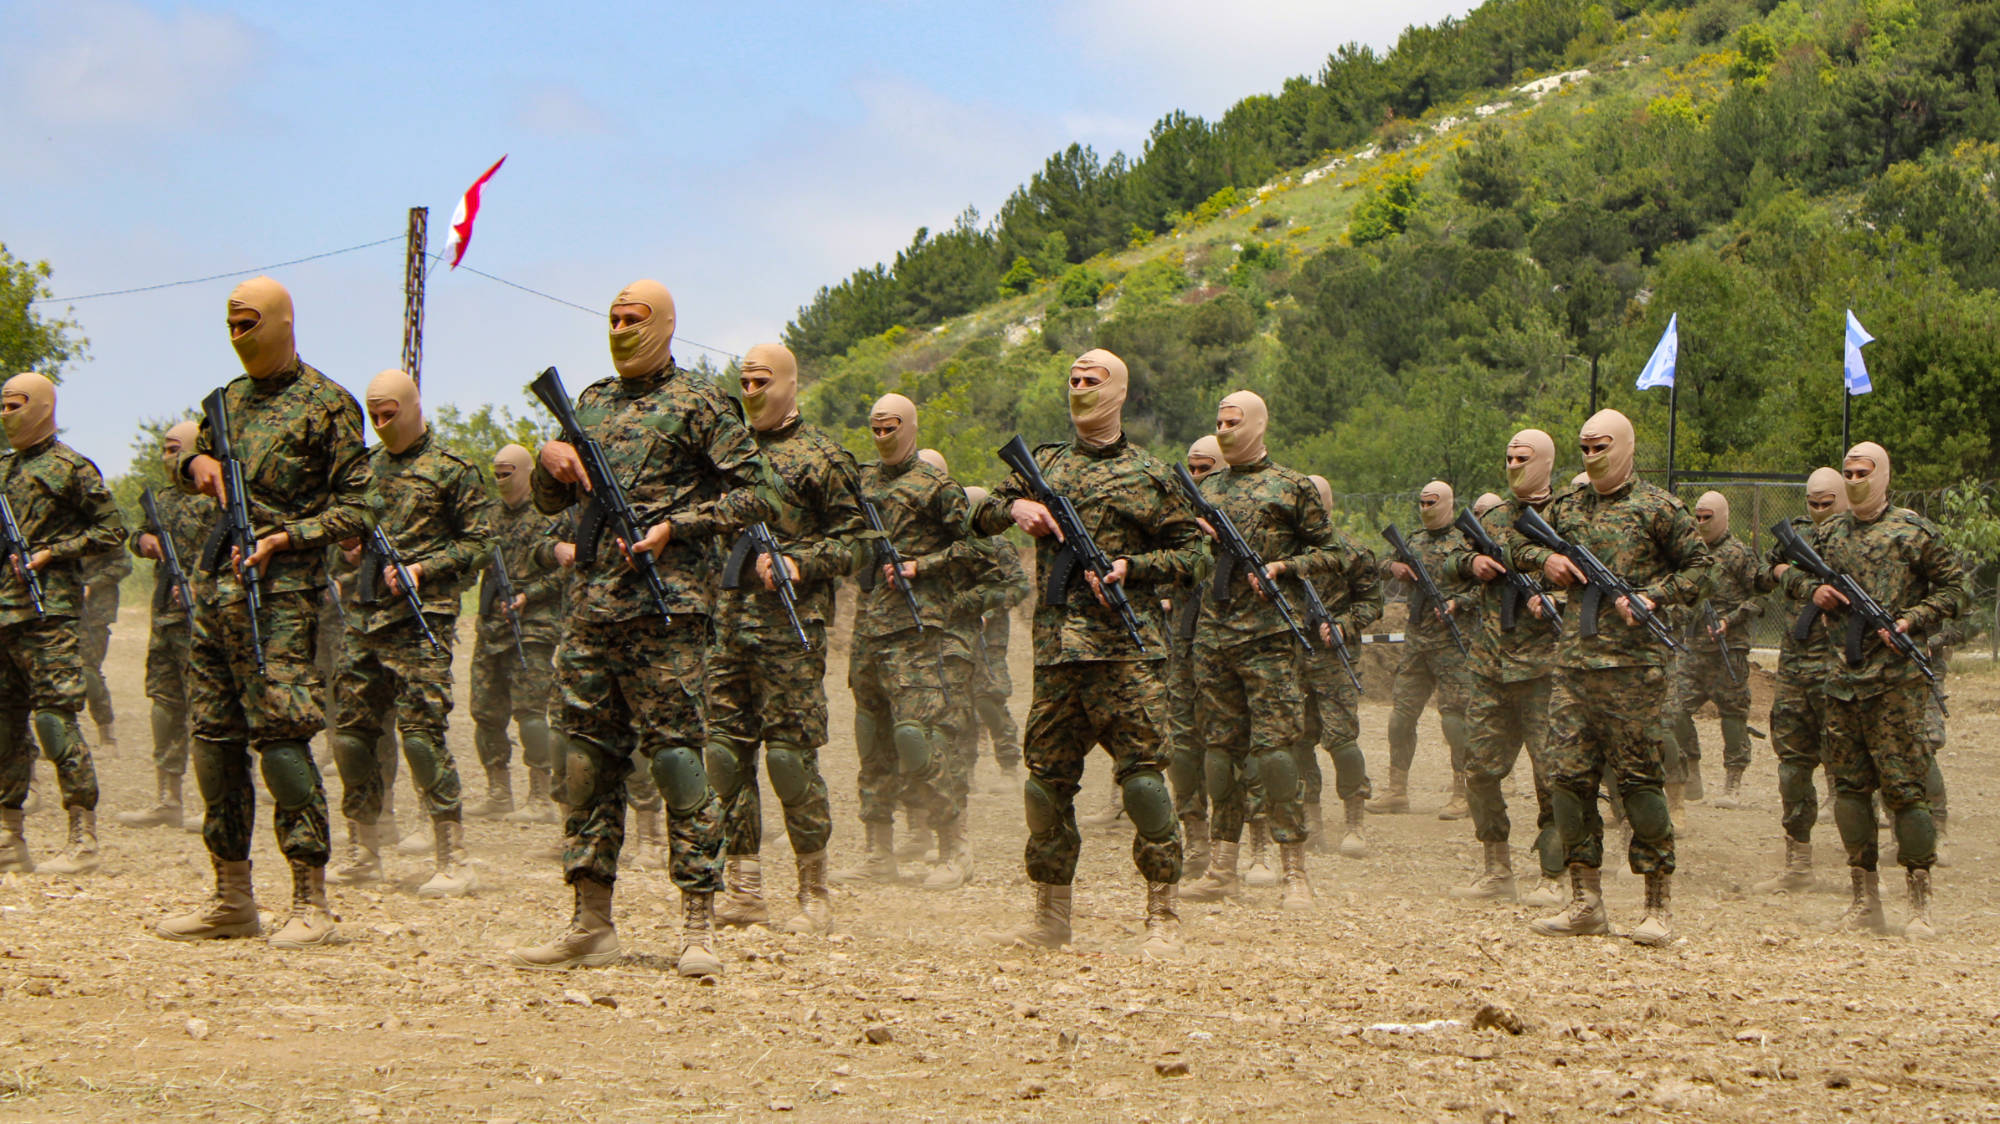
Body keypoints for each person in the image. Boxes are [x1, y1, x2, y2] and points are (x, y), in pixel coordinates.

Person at [511, 280, 767, 977]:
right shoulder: (589, 402)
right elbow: (546, 502)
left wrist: (675, 526)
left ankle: (697, 924)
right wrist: (550, 460)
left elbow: (753, 492)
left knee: (680, 763)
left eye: (635, 319)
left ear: (666, 325)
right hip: (593, 611)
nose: (623, 329)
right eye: (615, 318)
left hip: (668, 612)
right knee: (587, 766)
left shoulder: (701, 403)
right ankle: (590, 923)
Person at [157, 278, 371, 948]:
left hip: (281, 599)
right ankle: (231, 898)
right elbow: (193, 467)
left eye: (249, 322)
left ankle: (312, 901)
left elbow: (361, 507)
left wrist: (289, 537)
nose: (238, 334)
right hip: (217, 592)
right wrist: (192, 462)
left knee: (281, 739)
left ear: (281, 320)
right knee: (213, 743)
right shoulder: (224, 403)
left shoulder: (328, 404)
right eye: (231, 323)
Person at [977, 348, 1200, 954]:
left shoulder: (1151, 474)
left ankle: (1163, 916)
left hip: (1127, 656)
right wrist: (1015, 505)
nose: (1078, 388)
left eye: (1091, 380)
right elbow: (976, 510)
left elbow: (1194, 554)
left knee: (1145, 787)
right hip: (1056, 658)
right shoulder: (1041, 463)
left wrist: (1136, 567)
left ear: (1118, 392)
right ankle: (1050, 915)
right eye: (1072, 379)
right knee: (1045, 787)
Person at [1509, 409, 1709, 946]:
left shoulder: (1659, 508)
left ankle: (1656, 906)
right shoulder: (1567, 508)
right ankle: (1585, 902)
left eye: (1601, 447)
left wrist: (1652, 597)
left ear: (1623, 446)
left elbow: (1698, 567)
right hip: (1574, 667)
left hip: (1635, 671)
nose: (1591, 456)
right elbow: (1516, 544)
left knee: (1640, 783)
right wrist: (1545, 561)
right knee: (1568, 784)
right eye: (1585, 448)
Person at [705, 343, 861, 934]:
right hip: (726, 628)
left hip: (790, 633)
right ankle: (743, 889)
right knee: (724, 755)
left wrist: (799, 563)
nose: (750, 391)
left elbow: (860, 542)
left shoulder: (824, 458)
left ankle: (812, 890)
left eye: (761, 380)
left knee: (792, 760)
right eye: (742, 381)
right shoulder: (725, 457)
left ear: (791, 384)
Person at [325, 371, 493, 897]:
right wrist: (347, 550)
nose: (379, 422)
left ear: (414, 406)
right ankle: (365, 849)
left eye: (387, 412)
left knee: (421, 736)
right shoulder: (365, 471)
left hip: (423, 620)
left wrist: (423, 568)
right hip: (365, 618)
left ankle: (453, 855)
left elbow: (481, 543)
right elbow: (339, 541)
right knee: (351, 737)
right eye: (372, 414)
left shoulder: (453, 469)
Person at [1790, 443, 1965, 938]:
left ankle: (1919, 901)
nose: (1854, 479)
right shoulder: (1830, 535)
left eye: (1862, 472)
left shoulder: (1914, 533)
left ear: (1884, 475)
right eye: (1847, 472)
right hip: (1842, 685)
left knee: (1907, 793)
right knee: (1848, 793)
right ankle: (1865, 900)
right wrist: (1812, 592)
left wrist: (1913, 619)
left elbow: (1955, 590)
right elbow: (1781, 571)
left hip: (1896, 686)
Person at [1182, 391, 1338, 910]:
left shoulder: (1291, 487)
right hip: (1214, 636)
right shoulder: (1207, 488)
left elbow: (1333, 552)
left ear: (1258, 424)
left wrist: (1283, 567)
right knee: (1220, 757)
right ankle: (1222, 866)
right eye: (1219, 421)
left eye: (1234, 420)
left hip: (1269, 639)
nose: (1225, 428)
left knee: (1274, 755)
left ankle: (1295, 869)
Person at [833, 395, 978, 890]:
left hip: (918, 633)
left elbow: (974, 550)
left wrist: (922, 566)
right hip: (869, 628)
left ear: (910, 425)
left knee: (917, 739)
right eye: (874, 425)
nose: (882, 432)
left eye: (891, 424)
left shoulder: (938, 486)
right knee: (871, 739)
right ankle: (878, 851)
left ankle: (952, 846)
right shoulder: (862, 482)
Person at [0, 372, 127, 875]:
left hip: (49, 612)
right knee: (5, 725)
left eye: (15, 404)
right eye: (3, 405)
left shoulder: (71, 467)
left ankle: (82, 836)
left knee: (54, 720)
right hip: (4, 613)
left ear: (42, 406)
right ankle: (10, 836)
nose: (6, 414)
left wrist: (56, 551)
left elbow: (113, 528)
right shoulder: (4, 470)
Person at [1447, 429, 1565, 905]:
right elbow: (1450, 557)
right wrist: (1472, 561)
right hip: (1490, 666)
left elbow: (1586, 576)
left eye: (1524, 458)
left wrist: (1552, 598)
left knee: (1553, 775)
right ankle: (1496, 868)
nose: (1514, 465)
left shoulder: (1568, 517)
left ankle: (1555, 875)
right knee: (1478, 769)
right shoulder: (1492, 517)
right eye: (1509, 458)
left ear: (1546, 462)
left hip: (1544, 670)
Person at [1750, 467, 1844, 894]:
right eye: (1813, 503)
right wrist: (1797, 579)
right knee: (1792, 767)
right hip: (1795, 667)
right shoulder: (1798, 534)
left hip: (1845, 669)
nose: (1820, 511)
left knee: (1851, 769)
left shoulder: (1862, 538)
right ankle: (1798, 864)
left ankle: (1863, 870)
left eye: (1829, 502)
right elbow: (1763, 573)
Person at [119, 421, 215, 831]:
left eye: (175, 449)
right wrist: (142, 542)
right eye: (164, 449)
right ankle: (167, 798)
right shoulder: (160, 499)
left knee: (208, 711)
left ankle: (217, 801)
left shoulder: (217, 499)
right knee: (164, 705)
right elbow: (138, 532)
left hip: (206, 620)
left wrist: (199, 584)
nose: (167, 458)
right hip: (165, 618)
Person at [468, 444, 566, 822]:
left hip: (535, 627)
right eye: (496, 472)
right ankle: (498, 791)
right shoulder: (488, 516)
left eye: (507, 472)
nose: (500, 479)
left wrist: (529, 595)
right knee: (484, 711)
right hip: (492, 624)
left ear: (525, 471)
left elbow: (566, 569)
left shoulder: (549, 515)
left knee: (531, 713)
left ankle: (540, 796)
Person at [1372, 481, 1475, 819]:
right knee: (1401, 717)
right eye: (1422, 502)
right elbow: (1382, 562)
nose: (1426, 508)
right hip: (1416, 642)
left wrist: (1457, 603)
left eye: (1433, 502)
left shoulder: (1465, 543)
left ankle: (1464, 791)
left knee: (1454, 719)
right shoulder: (1414, 540)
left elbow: (1486, 591)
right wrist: (1395, 568)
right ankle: (1396, 789)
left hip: (1451, 643)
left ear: (1446, 503)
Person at [1296, 473, 1381, 858]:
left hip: (1335, 658)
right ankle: (1311, 823)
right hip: (1292, 657)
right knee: (1297, 741)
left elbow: (1371, 603)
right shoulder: (1285, 553)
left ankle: (1354, 823)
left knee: (1342, 740)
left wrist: (1343, 625)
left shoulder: (1353, 551)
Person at [1669, 491, 1759, 807]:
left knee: (1733, 714)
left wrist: (1730, 620)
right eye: (1699, 517)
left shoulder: (1739, 554)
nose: (1703, 523)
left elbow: (1759, 597)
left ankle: (1732, 783)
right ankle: (1690, 765)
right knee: (1676, 709)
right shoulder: (1690, 553)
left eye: (1709, 517)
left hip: (1728, 648)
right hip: (1692, 648)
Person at [1165, 437, 1223, 879]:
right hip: (1182, 646)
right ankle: (1195, 837)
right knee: (1183, 747)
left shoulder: (1242, 515)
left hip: (1229, 645)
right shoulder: (1176, 516)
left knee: (1228, 748)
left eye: (1205, 469)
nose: (1196, 478)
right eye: (1192, 469)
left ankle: (1236, 845)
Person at [961, 485, 1031, 792]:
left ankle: (1008, 766)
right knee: (958, 700)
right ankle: (965, 771)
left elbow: (1018, 587)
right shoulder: (954, 543)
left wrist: (988, 611)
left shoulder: (999, 546)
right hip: (959, 632)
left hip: (991, 636)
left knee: (989, 696)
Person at [78, 546, 132, 752]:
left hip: (95, 612)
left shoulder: (105, 530)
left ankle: (106, 732)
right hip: (58, 608)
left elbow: (124, 564)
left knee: (89, 671)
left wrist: (93, 584)